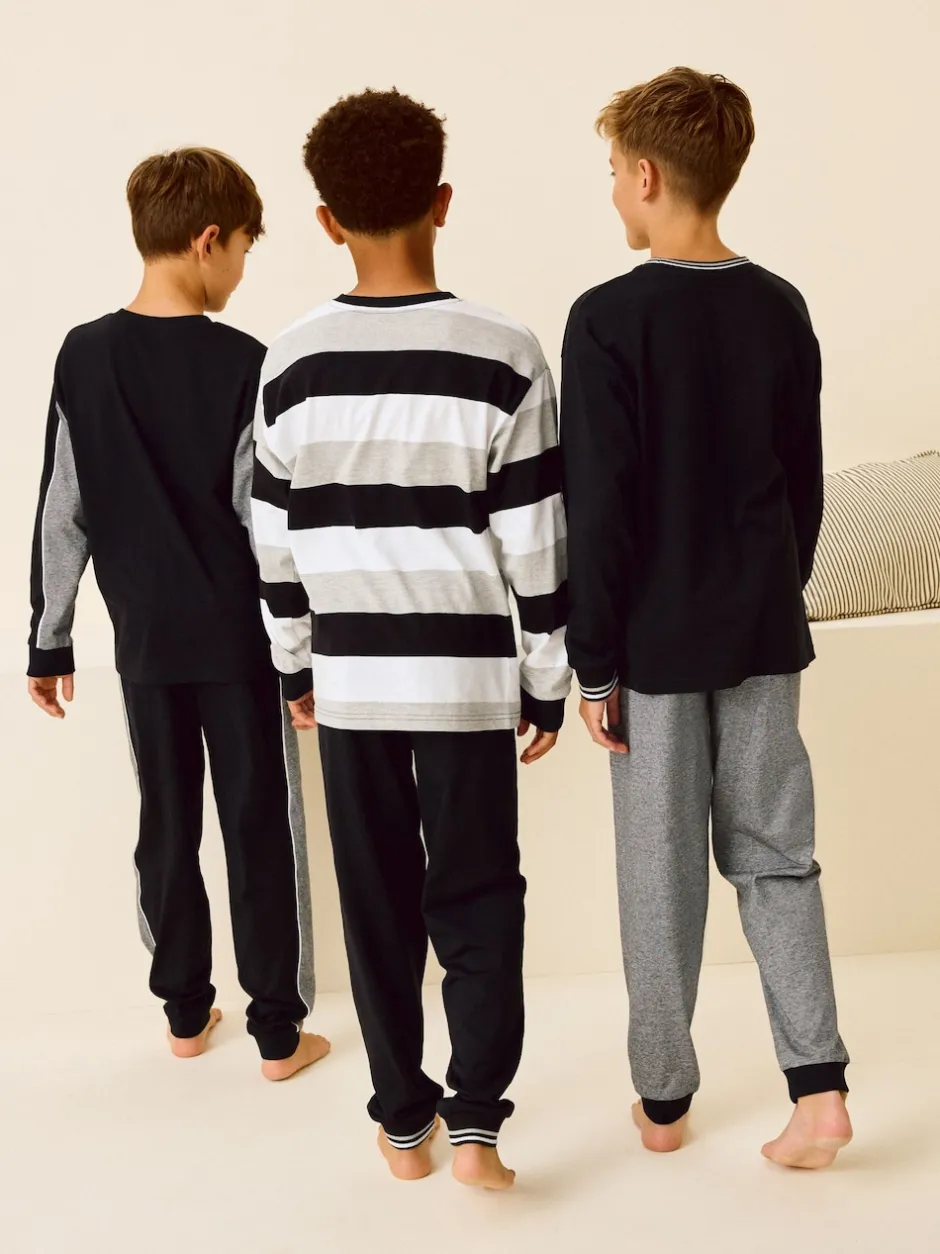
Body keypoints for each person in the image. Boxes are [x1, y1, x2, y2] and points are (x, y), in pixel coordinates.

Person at [252, 89, 570, 1189]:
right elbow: (538, 541)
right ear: (442, 201)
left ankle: (402, 1122)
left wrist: (294, 665)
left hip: (350, 683)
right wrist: (547, 681)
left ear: (325, 220)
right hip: (468, 684)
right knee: (479, 892)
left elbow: (273, 542)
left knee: (376, 900)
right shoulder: (505, 352)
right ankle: (476, 1122)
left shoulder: (289, 363)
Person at [560, 67, 852, 1169]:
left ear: (645, 175)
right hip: (764, 632)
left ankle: (664, 1099)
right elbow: (803, 485)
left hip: (653, 647)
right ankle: (818, 1091)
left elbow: (600, 508)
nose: (611, 192)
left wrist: (594, 663)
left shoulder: (605, 319)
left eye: (611, 172)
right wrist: (776, 591)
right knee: (778, 855)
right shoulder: (780, 306)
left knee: (661, 870)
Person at [27, 148, 329, 1079]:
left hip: (146, 646)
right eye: (241, 249)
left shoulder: (83, 355)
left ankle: (186, 1016)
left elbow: (63, 506)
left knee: (166, 821)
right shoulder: (246, 363)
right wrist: (299, 653)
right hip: (241, 645)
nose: (240, 269)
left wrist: (49, 638)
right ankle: (277, 1033)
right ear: (207, 241)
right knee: (258, 824)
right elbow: (264, 520)